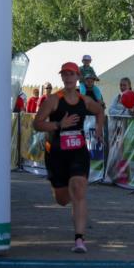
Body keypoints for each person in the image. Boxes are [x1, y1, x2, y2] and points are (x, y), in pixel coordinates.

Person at [32, 62, 105, 253]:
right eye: (65, 74)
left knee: (79, 189)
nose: (68, 77)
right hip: (56, 154)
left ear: (78, 77)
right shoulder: (53, 100)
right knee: (63, 199)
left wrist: (99, 128)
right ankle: (64, 191)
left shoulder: (85, 100)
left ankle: (79, 239)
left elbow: (100, 111)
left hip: (78, 151)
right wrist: (58, 124)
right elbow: (37, 124)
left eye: (72, 74)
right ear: (62, 78)